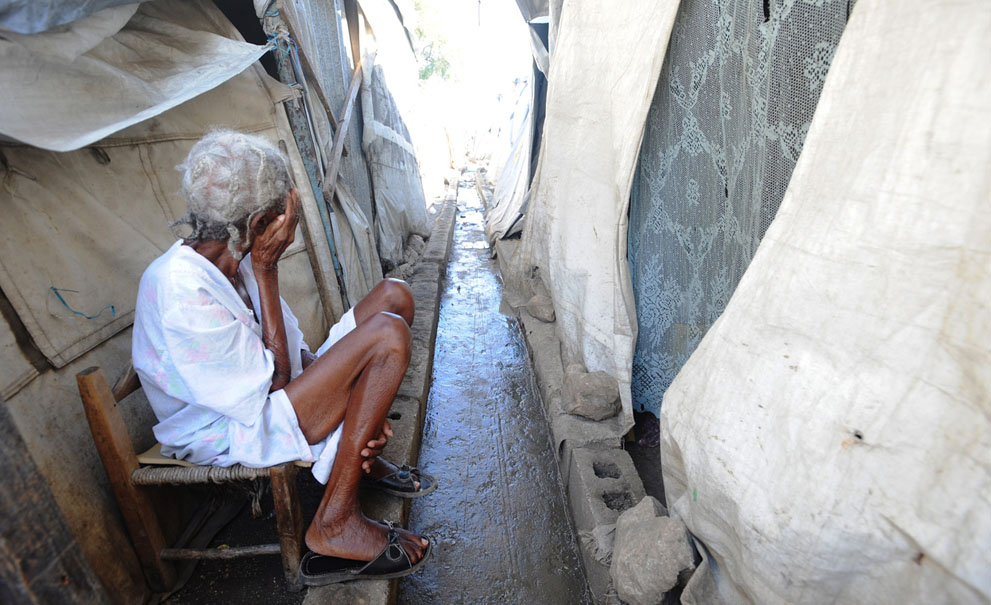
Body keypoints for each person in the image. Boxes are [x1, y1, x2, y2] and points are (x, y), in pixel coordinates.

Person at [132, 130, 431, 585]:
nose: (286, 228)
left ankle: (355, 451)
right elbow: (270, 387)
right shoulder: (180, 287)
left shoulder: (237, 261)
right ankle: (333, 521)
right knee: (389, 336)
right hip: (232, 427)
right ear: (256, 227)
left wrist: (355, 401)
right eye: (281, 216)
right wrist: (268, 271)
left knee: (397, 296)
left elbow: (297, 354)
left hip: (275, 393)